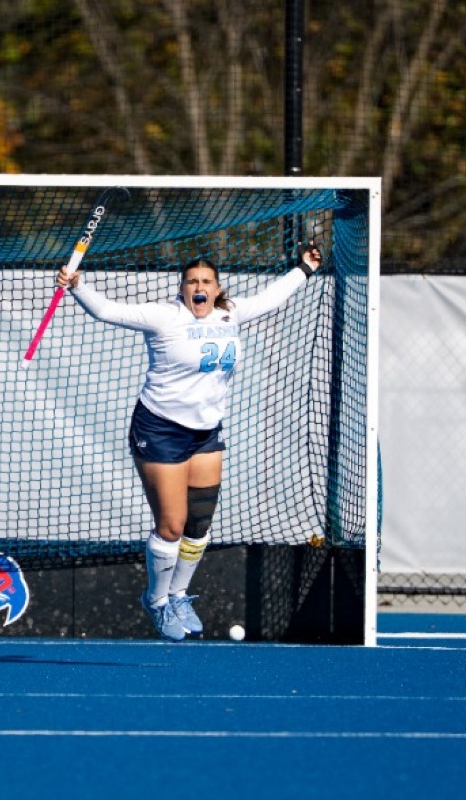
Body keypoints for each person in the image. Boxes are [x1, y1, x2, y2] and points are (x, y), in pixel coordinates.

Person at [56, 240, 324, 640]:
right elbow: (109, 311)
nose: (199, 287)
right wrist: (76, 286)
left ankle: (179, 594)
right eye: (191, 281)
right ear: (182, 288)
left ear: (217, 288)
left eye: (206, 281)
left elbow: (272, 297)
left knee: (199, 525)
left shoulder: (229, 314)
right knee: (172, 526)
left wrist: (304, 268)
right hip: (160, 429)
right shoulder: (164, 316)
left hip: (205, 431)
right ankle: (157, 599)